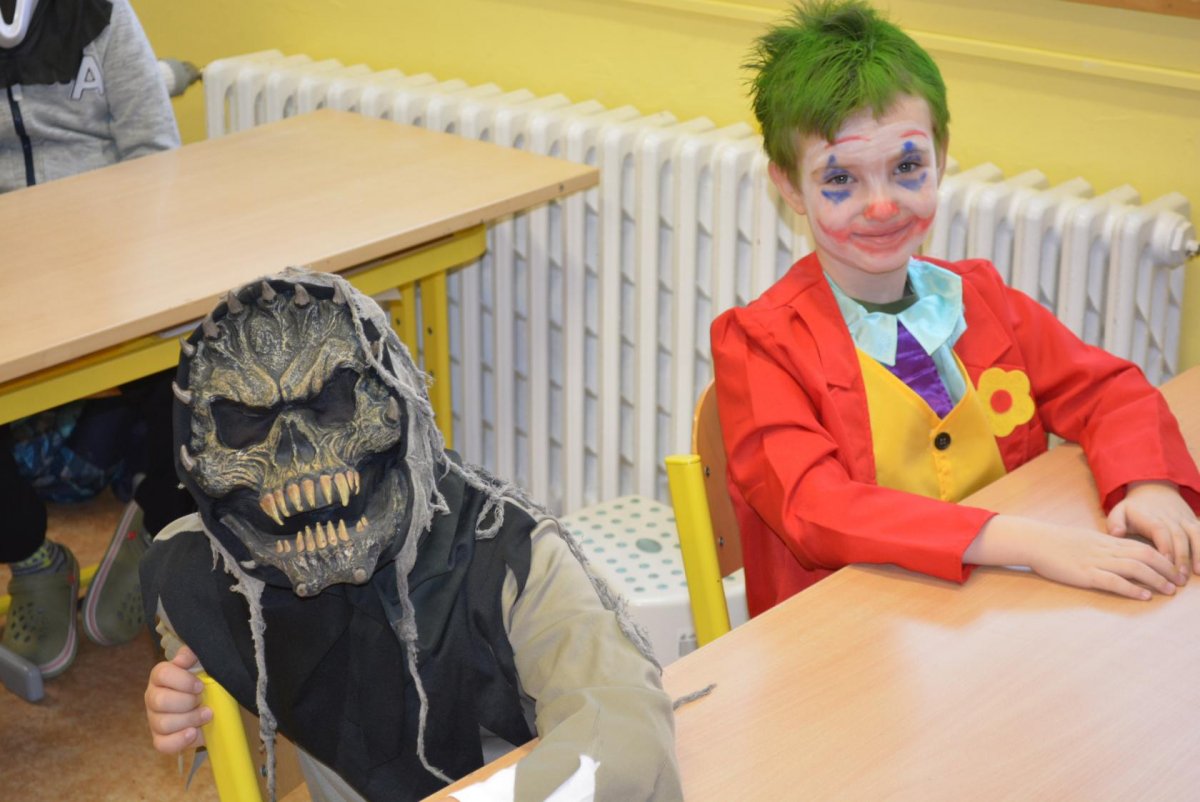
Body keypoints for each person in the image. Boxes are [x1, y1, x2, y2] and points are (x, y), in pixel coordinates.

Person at [712, 0, 1200, 617]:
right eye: (840, 180)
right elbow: (816, 507)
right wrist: (1032, 543)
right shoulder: (761, 344)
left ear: (940, 158)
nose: (882, 206)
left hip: (991, 609)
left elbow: (1108, 391)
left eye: (907, 167)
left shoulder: (979, 299)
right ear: (789, 186)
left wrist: (1149, 483)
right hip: (848, 631)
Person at [141, 270, 682, 802]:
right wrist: (190, 708)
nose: (296, 452)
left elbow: (624, 739)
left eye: (332, 403)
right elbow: (246, 711)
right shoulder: (204, 572)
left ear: (400, 405)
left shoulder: (504, 553)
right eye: (246, 423)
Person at [1, 0, 190, 678]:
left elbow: (155, 153)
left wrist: (110, 256)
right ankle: (30, 556)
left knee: (198, 374)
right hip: (11, 281)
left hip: (113, 265)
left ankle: (158, 527)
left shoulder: (102, 16)